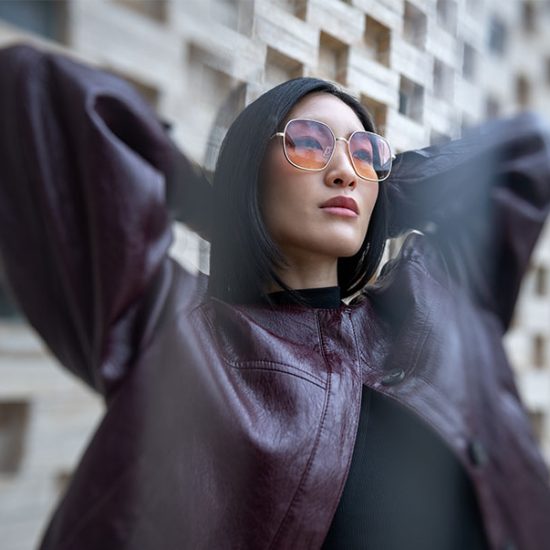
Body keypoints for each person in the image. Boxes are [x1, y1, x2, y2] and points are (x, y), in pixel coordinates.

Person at [0, 43, 549, 550]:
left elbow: (529, 152)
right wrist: (219, 206)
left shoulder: (434, 302)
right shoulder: (184, 337)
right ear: (251, 169)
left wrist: (381, 199)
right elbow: (32, 88)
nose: (344, 171)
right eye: (309, 143)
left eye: (365, 154)